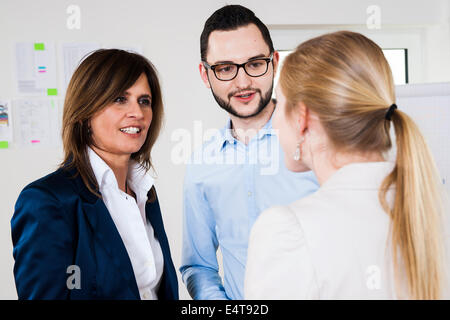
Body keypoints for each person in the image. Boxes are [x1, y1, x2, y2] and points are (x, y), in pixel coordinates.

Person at [244, 31, 449, 299]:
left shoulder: (286, 229)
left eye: (279, 104)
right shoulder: (437, 206)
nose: (275, 122)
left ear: (303, 117)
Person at [11, 49, 178, 300]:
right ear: (85, 112)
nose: (138, 113)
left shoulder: (145, 192)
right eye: (120, 99)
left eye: (144, 100)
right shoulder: (47, 201)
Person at [179, 5, 319, 300]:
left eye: (255, 64)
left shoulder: (318, 142)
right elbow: (198, 266)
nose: (243, 83)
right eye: (225, 68)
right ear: (205, 75)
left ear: (275, 62)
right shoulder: (201, 165)